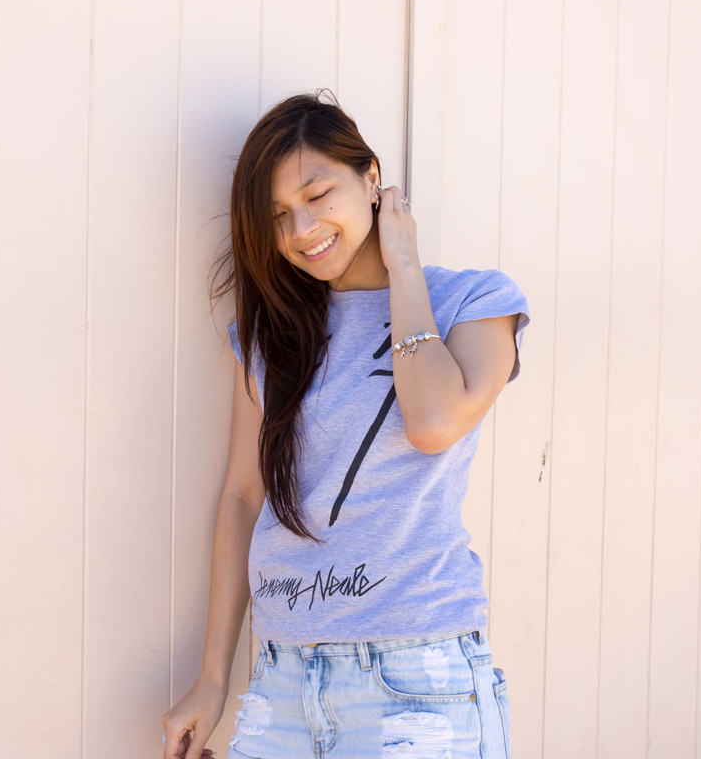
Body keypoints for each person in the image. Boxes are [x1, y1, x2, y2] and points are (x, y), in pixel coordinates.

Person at [161, 90, 529, 759]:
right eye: (278, 215)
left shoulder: (473, 303)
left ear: (370, 179)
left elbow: (433, 421)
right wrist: (213, 680)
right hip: (283, 683)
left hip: (417, 683)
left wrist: (404, 265)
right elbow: (245, 497)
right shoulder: (269, 337)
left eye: (317, 193)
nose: (302, 229)